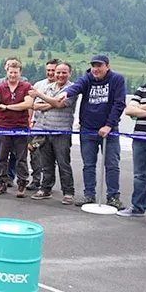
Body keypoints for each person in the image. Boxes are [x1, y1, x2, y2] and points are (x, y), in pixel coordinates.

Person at [59, 55, 126, 208]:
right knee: (88, 164)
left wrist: (109, 125)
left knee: (112, 164)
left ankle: (113, 197)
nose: (96, 69)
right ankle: (89, 194)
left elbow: (119, 103)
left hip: (110, 130)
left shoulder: (117, 79)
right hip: (87, 129)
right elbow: (76, 87)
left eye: (99, 66)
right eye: (93, 66)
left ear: (107, 66)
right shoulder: (87, 78)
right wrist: (66, 93)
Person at [118, 53, 146, 223]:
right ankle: (137, 208)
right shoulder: (143, 88)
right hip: (141, 138)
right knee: (140, 175)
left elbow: (137, 110)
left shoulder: (142, 94)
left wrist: (142, 109)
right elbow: (129, 111)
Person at [28, 62, 77, 204]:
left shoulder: (72, 89)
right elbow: (35, 105)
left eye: (64, 73)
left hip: (62, 131)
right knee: (46, 163)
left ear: (69, 73)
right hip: (45, 130)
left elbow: (62, 104)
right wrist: (53, 103)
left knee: (63, 163)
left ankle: (68, 192)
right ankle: (45, 189)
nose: (60, 75)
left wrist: (45, 100)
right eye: (58, 72)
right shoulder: (48, 88)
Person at [0, 59, 33, 197]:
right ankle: (2, 183)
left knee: (21, 157)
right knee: (2, 157)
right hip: (3, 126)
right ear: (6, 72)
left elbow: (28, 104)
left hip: (20, 127)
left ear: (20, 73)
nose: (13, 75)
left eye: (15, 72)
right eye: (11, 72)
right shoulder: (0, 86)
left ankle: (22, 184)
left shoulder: (26, 86)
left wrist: (7, 107)